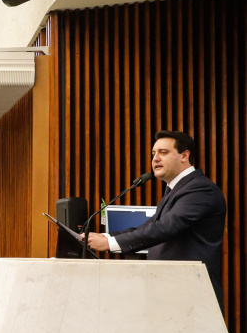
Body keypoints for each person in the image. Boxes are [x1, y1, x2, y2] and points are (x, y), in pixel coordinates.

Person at [86, 131, 227, 308]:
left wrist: (111, 243)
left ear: (185, 155)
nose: (155, 159)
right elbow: (148, 227)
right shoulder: (175, 190)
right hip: (172, 290)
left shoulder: (199, 189)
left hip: (191, 293)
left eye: (163, 152)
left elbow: (165, 227)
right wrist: (104, 237)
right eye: (153, 154)